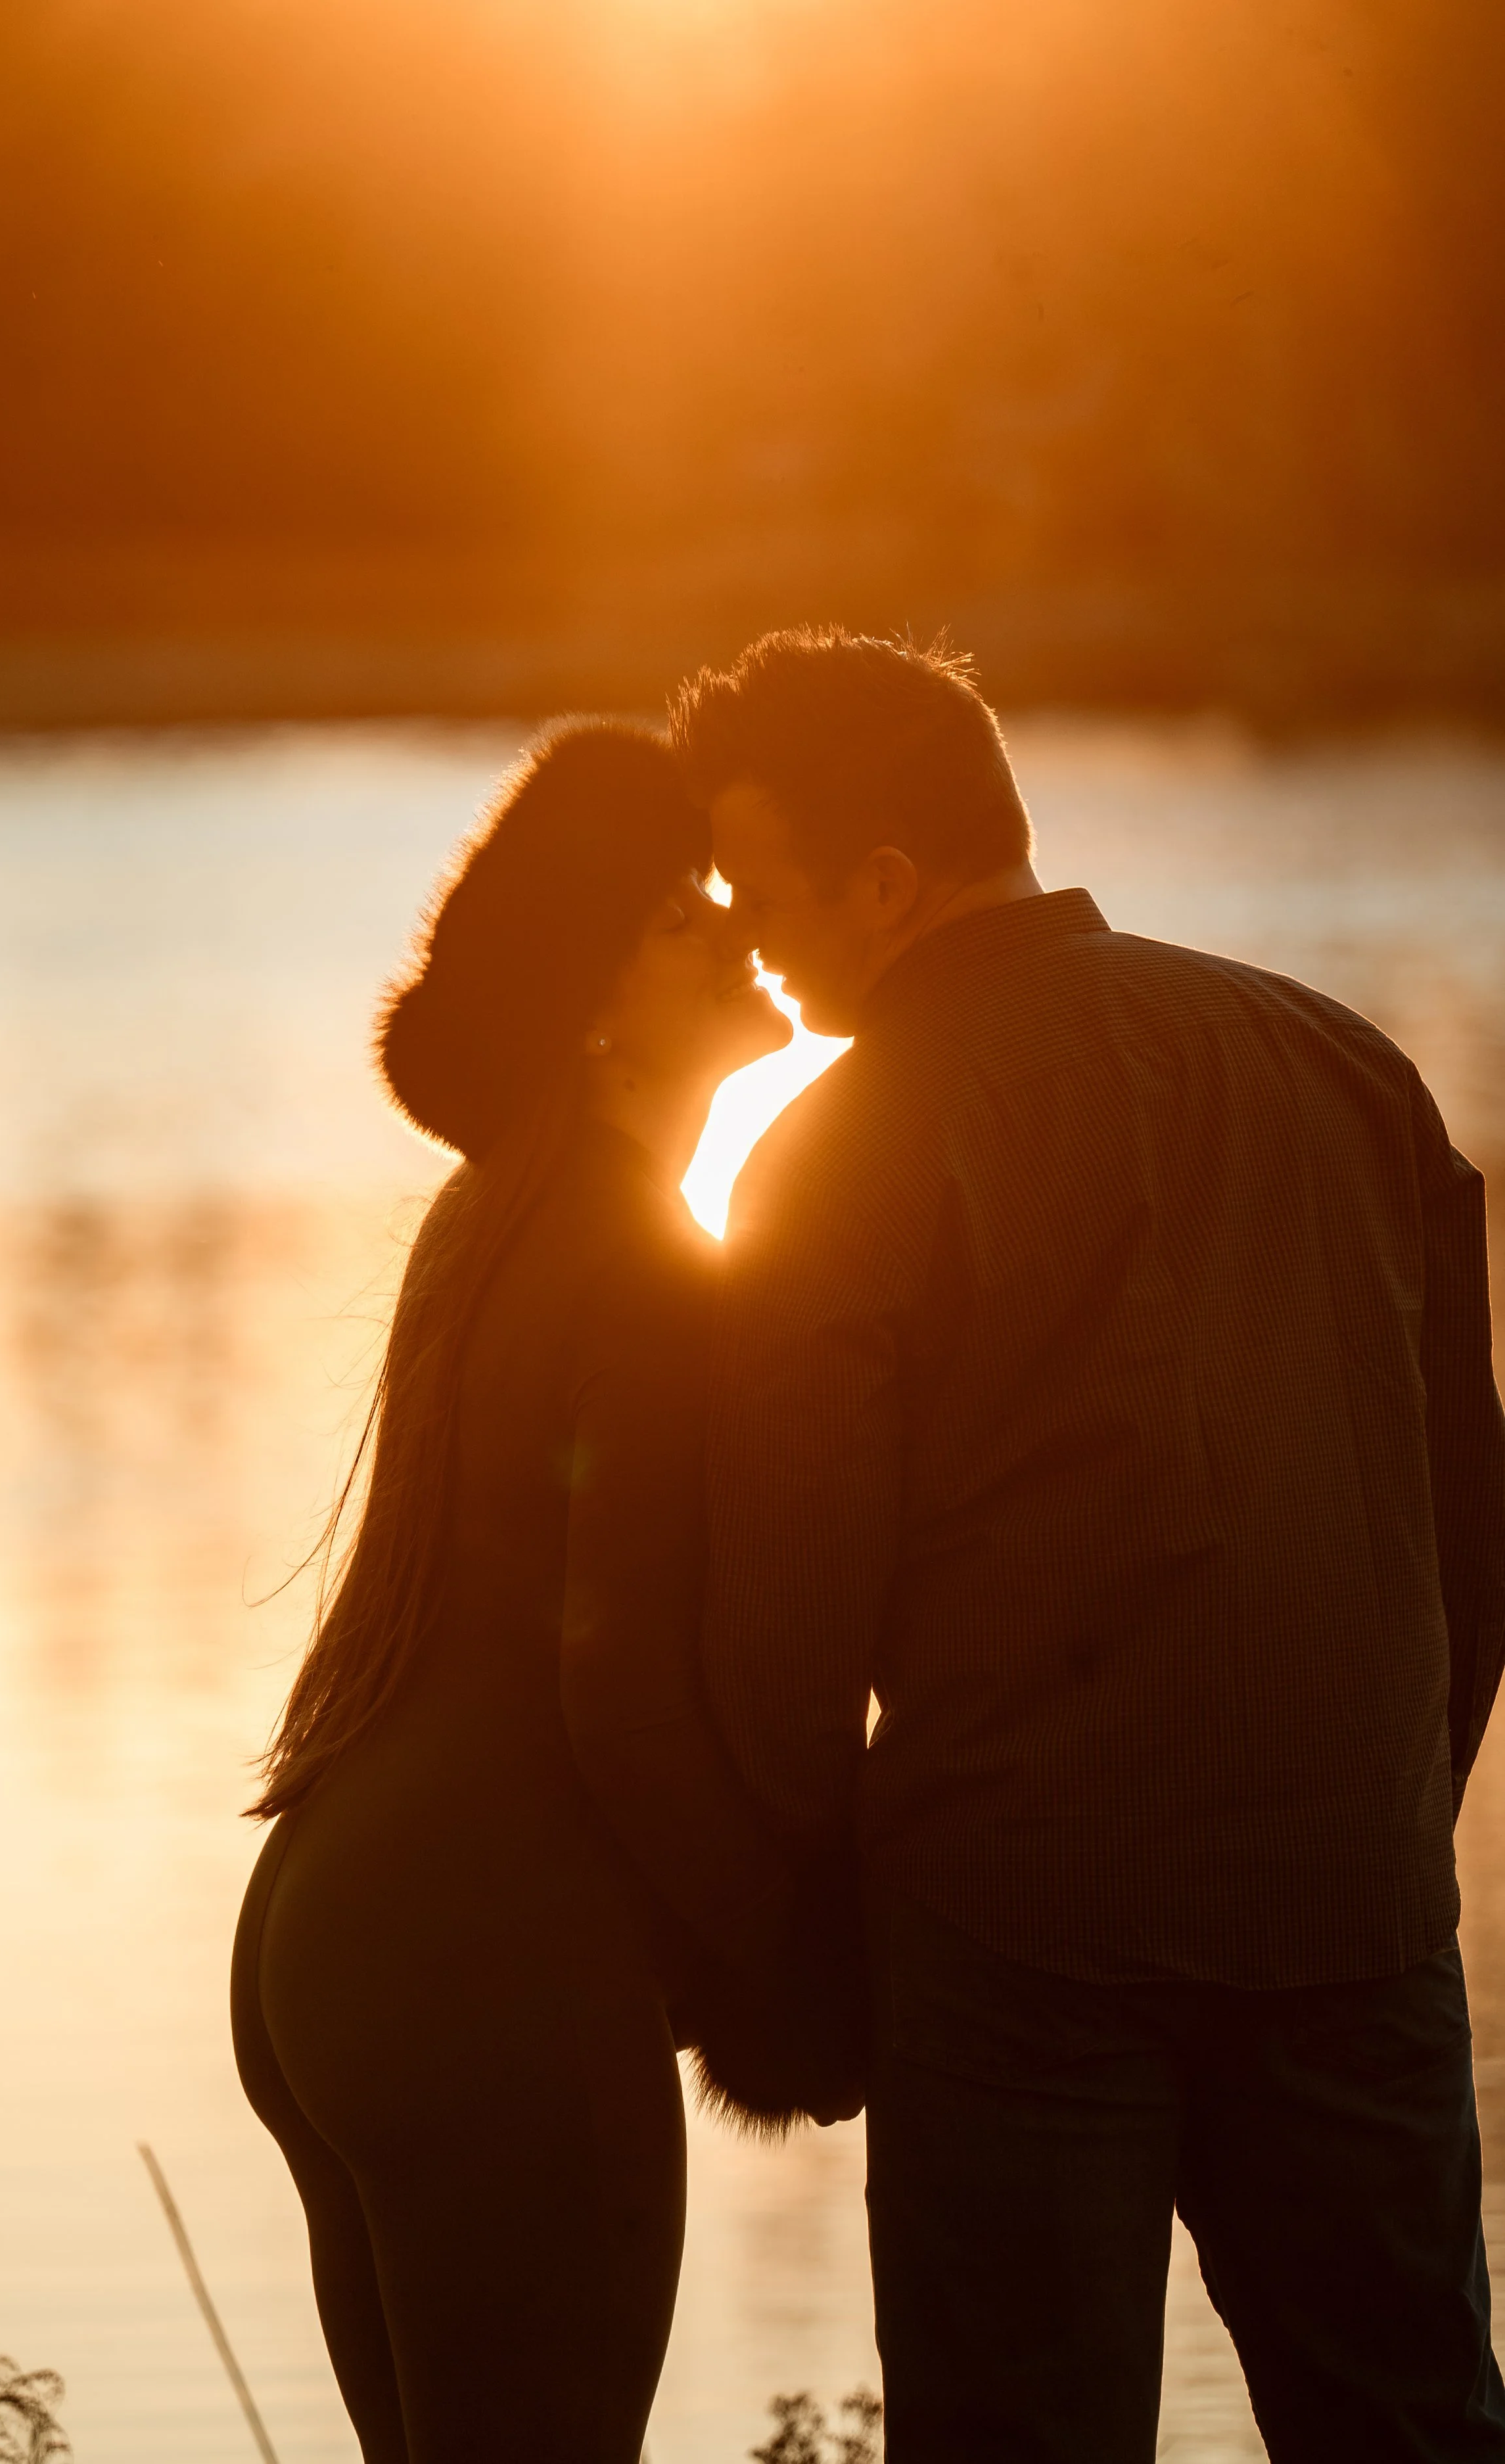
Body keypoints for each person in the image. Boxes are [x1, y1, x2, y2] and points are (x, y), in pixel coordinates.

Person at [674, 627, 1505, 2463]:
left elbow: (786, 1628)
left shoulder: (839, 1149)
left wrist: (793, 1966)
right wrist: (1375, 1807)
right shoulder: (1346, 1068)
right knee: (1413, 2429)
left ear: (884, 881)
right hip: (1347, 1908)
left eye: (759, 891)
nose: (749, 940)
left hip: (1015, 1935)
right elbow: (1466, 1523)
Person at [231, 719, 858, 2464]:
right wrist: (793, 1972)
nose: (734, 926)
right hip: (485, 1963)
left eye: (724, 893)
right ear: (595, 1009)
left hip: (324, 1928)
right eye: (680, 917)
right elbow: (615, 1681)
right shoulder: (649, 1257)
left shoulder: (492, 1219)